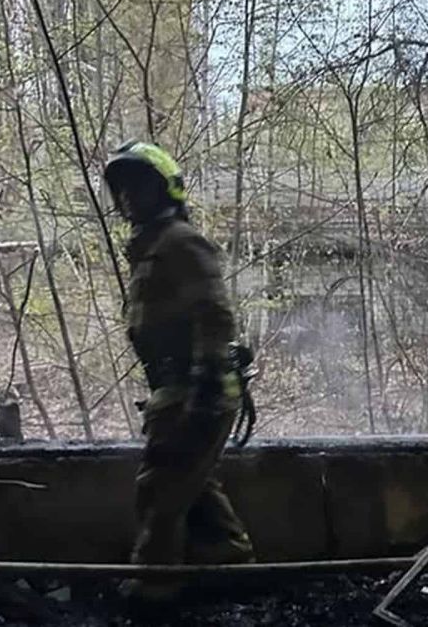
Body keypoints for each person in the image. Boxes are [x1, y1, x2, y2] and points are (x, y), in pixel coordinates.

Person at [103, 140, 255, 603]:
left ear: (166, 190)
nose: (130, 197)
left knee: (161, 486)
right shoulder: (152, 248)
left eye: (140, 186)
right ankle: (232, 563)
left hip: (197, 388)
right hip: (176, 388)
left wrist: (203, 396)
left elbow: (214, 317)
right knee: (196, 483)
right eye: (123, 188)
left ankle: (155, 584)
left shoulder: (180, 242)